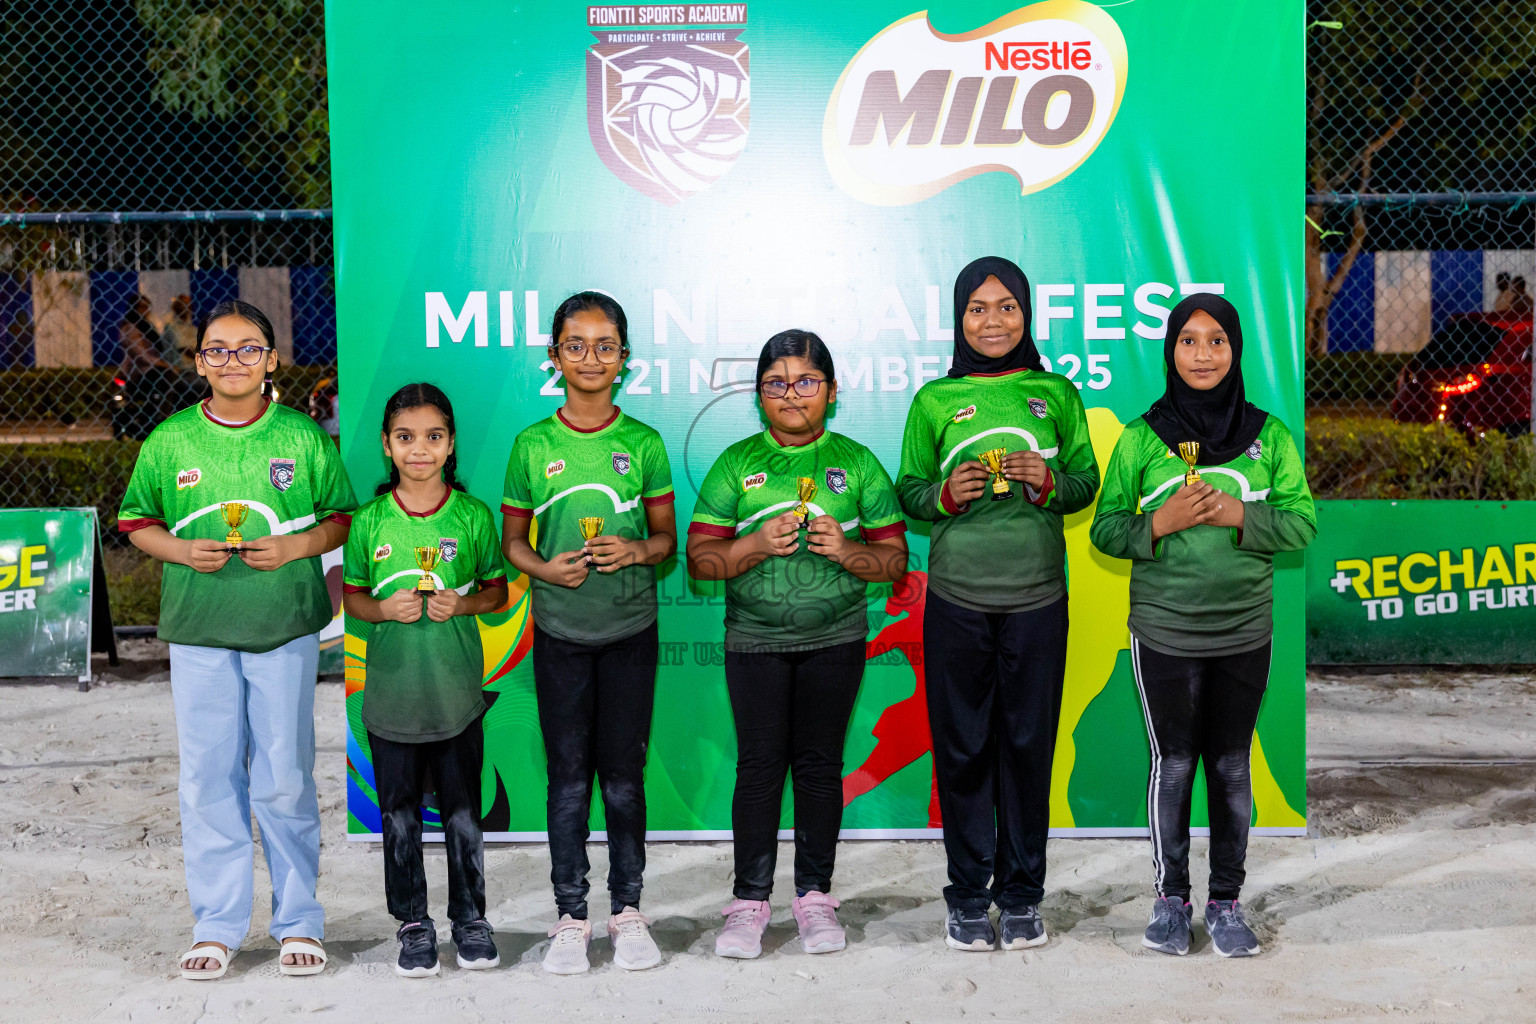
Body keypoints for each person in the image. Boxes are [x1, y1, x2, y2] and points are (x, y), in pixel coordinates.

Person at [116, 299, 356, 979]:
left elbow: (340, 521)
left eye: (249, 348)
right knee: (208, 776)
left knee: (284, 775)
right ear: (198, 363)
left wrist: (293, 548)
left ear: (272, 359)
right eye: (217, 350)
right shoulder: (170, 440)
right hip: (199, 631)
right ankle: (217, 923)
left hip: (282, 627)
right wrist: (181, 551)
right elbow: (137, 523)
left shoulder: (302, 437)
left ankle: (298, 919)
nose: (233, 361)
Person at [1089, 293, 1316, 958]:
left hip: (1245, 628)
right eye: (1189, 341)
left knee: (1232, 766)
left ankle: (1225, 903)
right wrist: (1158, 523)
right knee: (1175, 762)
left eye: (1216, 340)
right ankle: (1169, 902)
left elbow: (1301, 525)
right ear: (1171, 351)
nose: (1203, 354)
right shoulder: (1141, 437)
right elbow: (1105, 528)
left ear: (1235, 349)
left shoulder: (1269, 436)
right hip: (1164, 629)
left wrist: (1236, 517)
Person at [895, 256, 1099, 952]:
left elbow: (1086, 485)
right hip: (956, 600)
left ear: (1027, 314)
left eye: (1006, 306)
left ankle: (1020, 897)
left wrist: (1048, 480)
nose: (992, 320)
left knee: (1027, 748)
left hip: (1038, 600)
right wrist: (944, 497)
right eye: (977, 308)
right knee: (961, 750)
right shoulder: (933, 401)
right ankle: (965, 895)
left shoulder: (1057, 393)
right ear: (958, 318)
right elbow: (909, 492)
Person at [687, 329, 908, 960]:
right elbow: (701, 561)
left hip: (835, 639)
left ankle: (814, 896)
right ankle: (749, 902)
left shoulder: (858, 462)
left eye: (807, 381)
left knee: (818, 767)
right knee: (758, 767)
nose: (792, 394)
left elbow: (893, 563)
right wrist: (754, 545)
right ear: (759, 395)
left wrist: (847, 550)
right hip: (753, 640)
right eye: (777, 383)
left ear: (831, 392)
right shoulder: (736, 463)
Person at [500, 291, 677, 975]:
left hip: (631, 630)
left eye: (606, 346)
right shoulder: (532, 445)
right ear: (554, 357)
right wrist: (545, 566)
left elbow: (665, 540)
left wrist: (634, 551)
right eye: (577, 345)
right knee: (569, 780)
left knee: (624, 778)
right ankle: (570, 915)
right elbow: (514, 542)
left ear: (624, 359)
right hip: (561, 633)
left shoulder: (644, 443)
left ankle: (627, 910)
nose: (592, 358)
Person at [343, 383, 507, 977]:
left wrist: (461, 606)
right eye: (406, 437)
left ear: (451, 443)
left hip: (457, 697)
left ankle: (470, 919)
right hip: (390, 698)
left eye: (433, 437)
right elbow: (354, 597)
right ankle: (413, 923)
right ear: (387, 445)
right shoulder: (369, 521)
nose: (420, 449)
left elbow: (497, 590)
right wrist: (384, 610)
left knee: (464, 812)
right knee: (400, 815)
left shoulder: (471, 516)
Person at [160, 293, 198, 371]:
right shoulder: (171, 327)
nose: (186, 307)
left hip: (195, 368)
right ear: (175, 307)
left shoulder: (192, 328)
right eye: (182, 304)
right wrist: (203, 362)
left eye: (188, 304)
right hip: (182, 369)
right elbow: (184, 348)